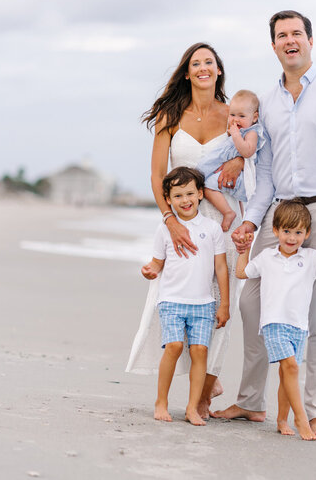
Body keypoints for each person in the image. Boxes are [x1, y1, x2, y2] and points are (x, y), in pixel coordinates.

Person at [213, 11, 316, 438]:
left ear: (311, 41)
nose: (289, 40)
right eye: (281, 35)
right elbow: (263, 175)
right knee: (251, 302)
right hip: (280, 211)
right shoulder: (266, 103)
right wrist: (249, 223)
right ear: (274, 46)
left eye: (296, 33)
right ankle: (250, 402)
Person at [126, 42, 244, 419]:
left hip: (225, 219)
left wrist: (240, 160)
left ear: (219, 70)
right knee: (176, 295)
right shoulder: (170, 115)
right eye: (196, 63)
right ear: (188, 73)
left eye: (209, 62)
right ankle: (186, 381)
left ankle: (206, 390)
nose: (203, 68)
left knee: (219, 304)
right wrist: (170, 221)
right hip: (181, 215)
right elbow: (157, 175)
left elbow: (255, 150)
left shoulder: (232, 114)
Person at [235, 200, 316, 440]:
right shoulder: (266, 256)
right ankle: (300, 420)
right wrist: (243, 252)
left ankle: (282, 419)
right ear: (275, 231)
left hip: (298, 326)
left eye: (298, 232)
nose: (291, 237)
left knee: (288, 374)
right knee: (292, 367)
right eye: (286, 231)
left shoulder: (312, 257)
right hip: (274, 322)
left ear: (307, 234)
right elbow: (242, 273)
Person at [140, 167, 230, 425]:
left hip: (203, 303)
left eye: (190, 193)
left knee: (200, 351)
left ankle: (192, 407)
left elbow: (220, 268)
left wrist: (224, 304)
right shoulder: (165, 229)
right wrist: (149, 270)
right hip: (171, 300)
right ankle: (161, 401)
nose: (185, 200)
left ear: (201, 194)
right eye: (178, 195)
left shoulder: (212, 228)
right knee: (175, 346)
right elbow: (157, 262)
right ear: (168, 199)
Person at [197, 89, 265, 231]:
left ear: (254, 117)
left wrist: (235, 136)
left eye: (241, 116)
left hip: (241, 180)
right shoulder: (237, 131)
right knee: (201, 171)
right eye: (232, 115)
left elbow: (247, 151)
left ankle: (228, 212)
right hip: (225, 165)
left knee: (207, 184)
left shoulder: (251, 132)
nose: (235, 119)